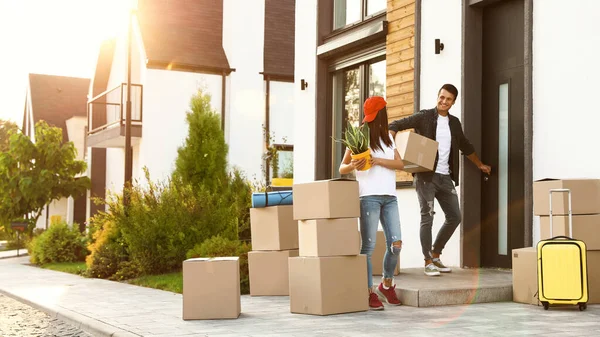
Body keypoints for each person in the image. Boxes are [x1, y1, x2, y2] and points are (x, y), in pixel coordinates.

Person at [389, 84, 491, 277]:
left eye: (449, 99)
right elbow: (396, 124)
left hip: (445, 177)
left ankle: (436, 254)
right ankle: (427, 261)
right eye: (442, 97)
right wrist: (392, 139)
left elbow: (465, 146)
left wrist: (479, 164)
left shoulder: (454, 123)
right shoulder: (424, 116)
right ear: (438, 96)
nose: (444, 101)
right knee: (427, 217)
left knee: (455, 217)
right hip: (426, 176)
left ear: (453, 102)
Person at [339, 96, 405, 310]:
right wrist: (353, 165)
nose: (369, 120)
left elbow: (400, 163)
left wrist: (378, 161)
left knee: (396, 244)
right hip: (368, 197)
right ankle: (369, 292)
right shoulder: (358, 136)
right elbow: (342, 167)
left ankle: (386, 285)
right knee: (368, 247)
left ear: (381, 114)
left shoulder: (388, 137)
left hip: (390, 197)